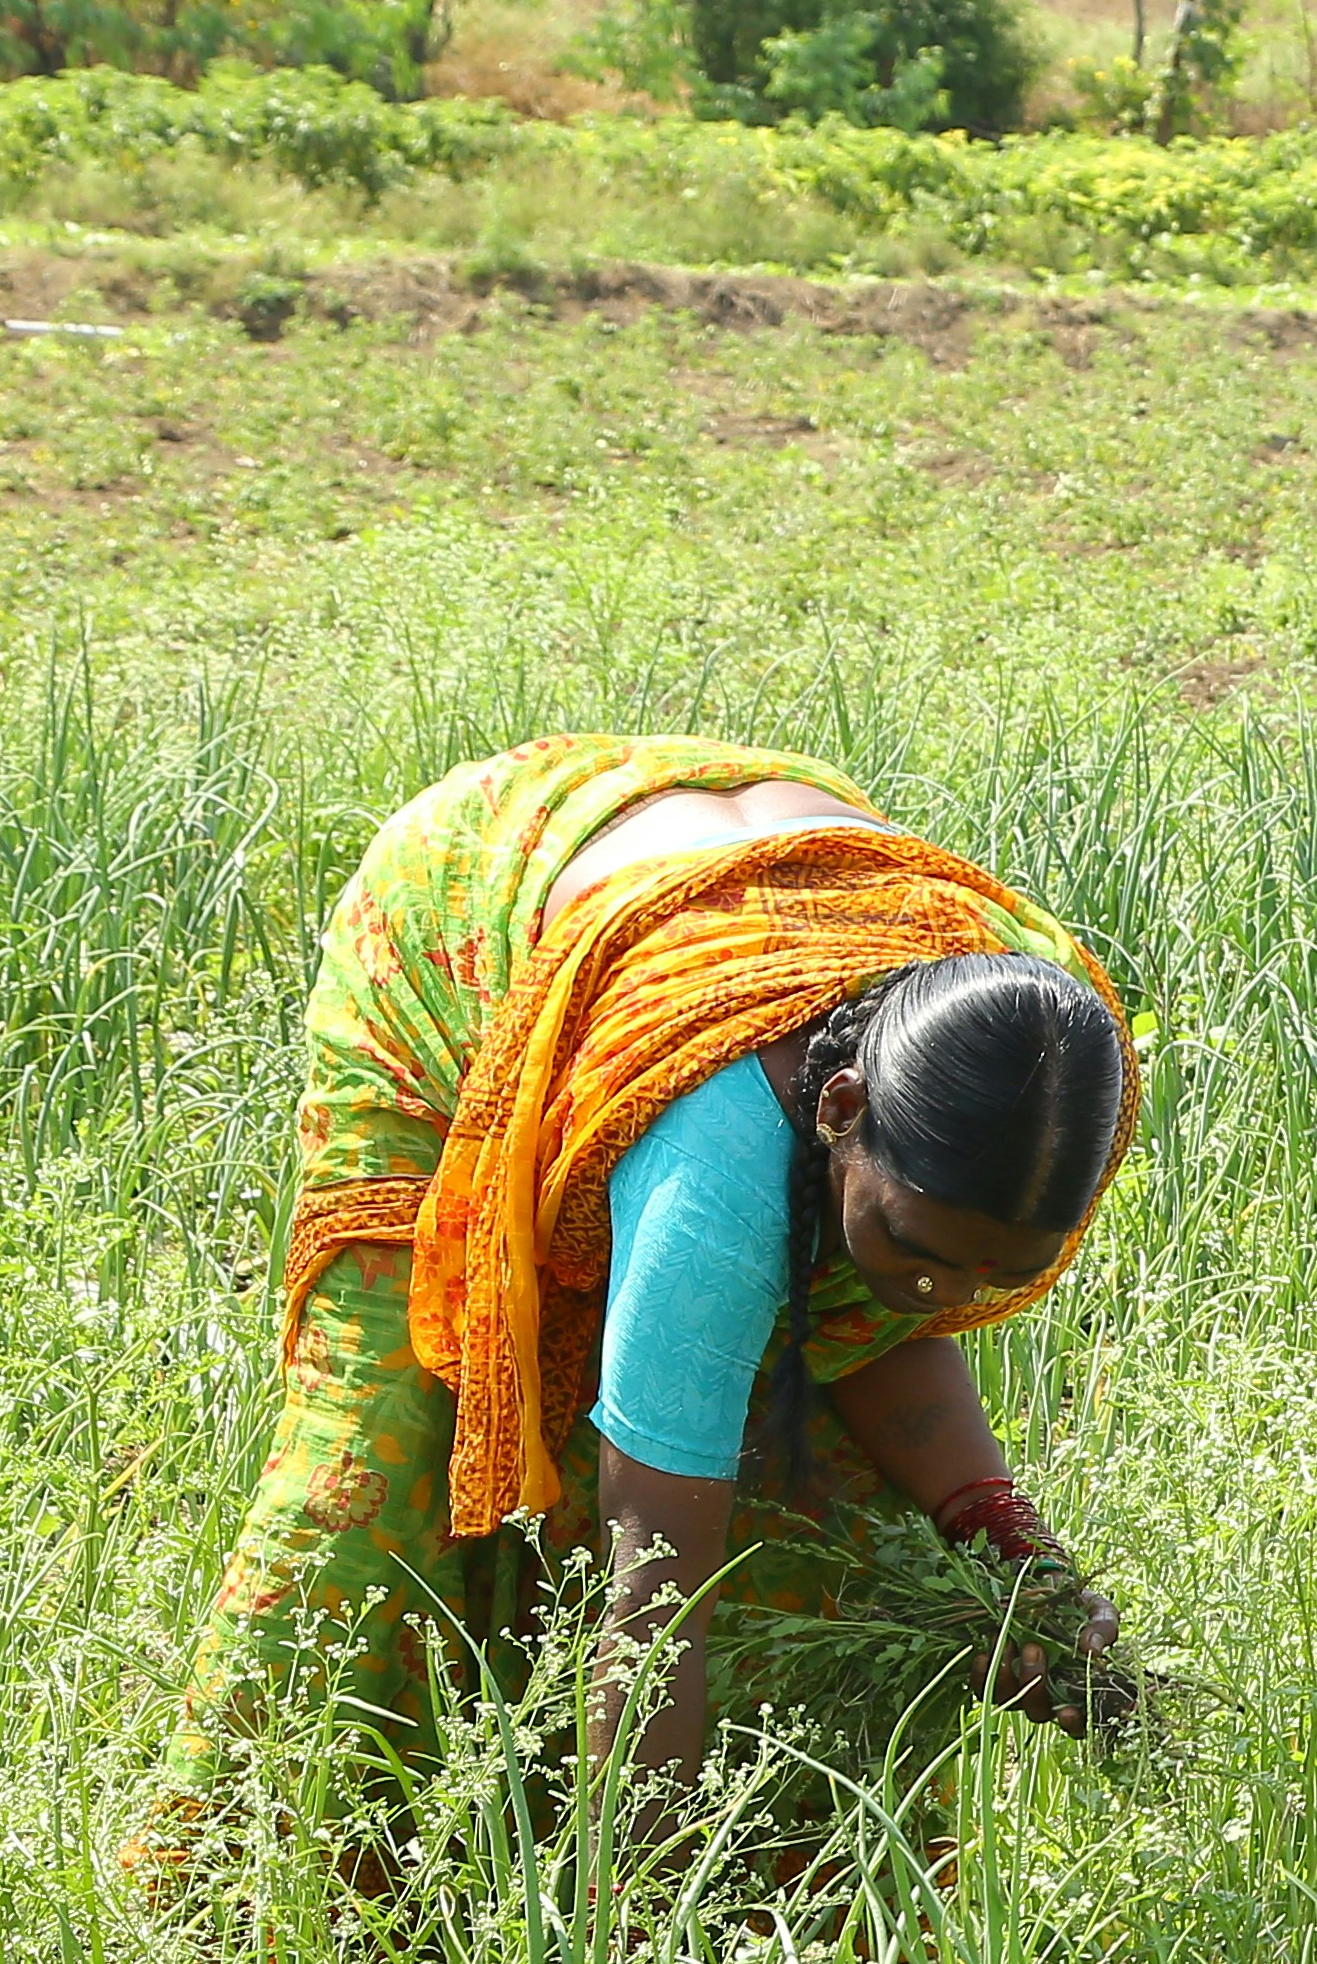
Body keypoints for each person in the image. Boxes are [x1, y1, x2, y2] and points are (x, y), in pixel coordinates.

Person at [167, 736, 1138, 1872]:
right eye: (921, 1249)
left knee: (808, 1493)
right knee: (384, 1473)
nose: (946, 1297)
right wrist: (642, 1936)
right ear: (837, 1106)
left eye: (997, 1275)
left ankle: (803, 1911)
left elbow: (878, 1329)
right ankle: (253, 1913)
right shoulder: (718, 1157)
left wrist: (1013, 1553)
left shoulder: (1048, 1084)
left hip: (750, 910)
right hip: (467, 931)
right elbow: (656, 1585)